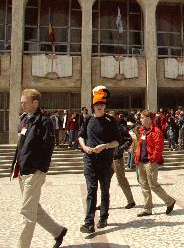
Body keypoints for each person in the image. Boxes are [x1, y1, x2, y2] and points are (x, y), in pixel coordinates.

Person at [10, 89, 67, 248]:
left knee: (27, 213)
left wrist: (42, 169)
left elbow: (48, 146)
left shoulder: (44, 121)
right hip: (23, 170)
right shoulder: (24, 119)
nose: (22, 105)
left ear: (35, 103)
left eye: (25, 102)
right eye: (21, 102)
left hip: (35, 172)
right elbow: (21, 145)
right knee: (34, 207)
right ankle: (58, 231)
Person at [78, 86, 121, 233]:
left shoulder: (111, 120)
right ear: (93, 106)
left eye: (101, 105)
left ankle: (103, 217)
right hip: (90, 159)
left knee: (104, 190)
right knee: (91, 190)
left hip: (105, 160)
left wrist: (105, 146)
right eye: (97, 105)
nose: (99, 107)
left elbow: (117, 141)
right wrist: (84, 147)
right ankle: (89, 222)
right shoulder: (87, 119)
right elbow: (81, 136)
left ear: (105, 106)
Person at [135, 110, 176, 217]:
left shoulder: (156, 131)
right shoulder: (142, 130)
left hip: (150, 162)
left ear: (148, 119)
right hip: (141, 161)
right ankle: (147, 208)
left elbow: (159, 147)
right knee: (144, 185)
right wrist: (137, 157)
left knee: (153, 185)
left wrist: (153, 159)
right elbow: (139, 146)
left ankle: (169, 201)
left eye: (142, 117)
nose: (140, 119)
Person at [112, 113, 136, 209]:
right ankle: (104, 202)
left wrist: (120, 149)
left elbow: (129, 140)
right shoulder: (105, 128)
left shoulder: (120, 128)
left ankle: (131, 200)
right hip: (106, 158)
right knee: (104, 182)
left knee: (121, 180)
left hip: (117, 158)